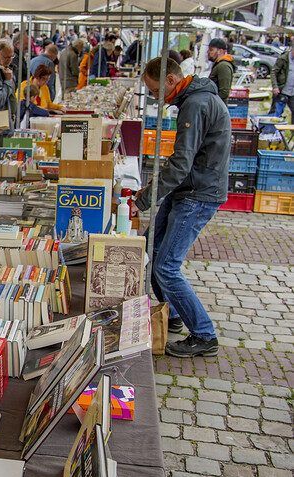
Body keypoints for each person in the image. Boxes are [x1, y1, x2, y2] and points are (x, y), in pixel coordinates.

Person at [133, 56, 230, 358]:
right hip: (190, 188)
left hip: (197, 193)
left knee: (165, 265)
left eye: (153, 91)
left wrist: (146, 197)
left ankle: (203, 334)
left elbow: (181, 163)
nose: (153, 97)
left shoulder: (196, 105)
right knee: (151, 250)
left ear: (172, 81)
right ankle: (172, 313)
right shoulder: (195, 100)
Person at [207, 38, 234, 104]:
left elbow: (224, 92)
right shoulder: (219, 64)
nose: (208, 52)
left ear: (220, 51)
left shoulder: (223, 66)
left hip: (218, 108)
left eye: (211, 50)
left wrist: (210, 102)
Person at [271, 48, 294, 122]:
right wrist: (275, 87)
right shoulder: (283, 58)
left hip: (292, 92)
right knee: (276, 114)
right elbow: (273, 72)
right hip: (282, 90)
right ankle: (272, 131)